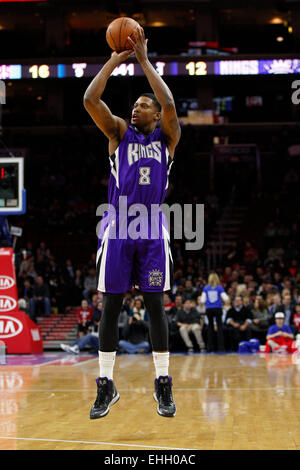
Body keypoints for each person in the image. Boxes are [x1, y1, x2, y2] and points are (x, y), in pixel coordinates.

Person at [83, 25, 181, 419]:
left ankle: (163, 384)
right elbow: (90, 99)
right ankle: (106, 385)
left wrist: (143, 61)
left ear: (156, 116)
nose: (136, 109)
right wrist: (113, 60)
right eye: (136, 105)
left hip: (153, 228)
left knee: (156, 306)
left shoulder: (167, 137)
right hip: (120, 227)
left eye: (144, 105)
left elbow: (170, 103)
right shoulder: (119, 133)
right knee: (111, 307)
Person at [201, 273, 229, 352]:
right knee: (219, 327)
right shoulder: (219, 288)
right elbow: (226, 298)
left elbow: (203, 300)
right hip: (218, 308)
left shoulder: (206, 288)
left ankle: (209, 347)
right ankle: (221, 347)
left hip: (209, 309)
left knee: (210, 327)